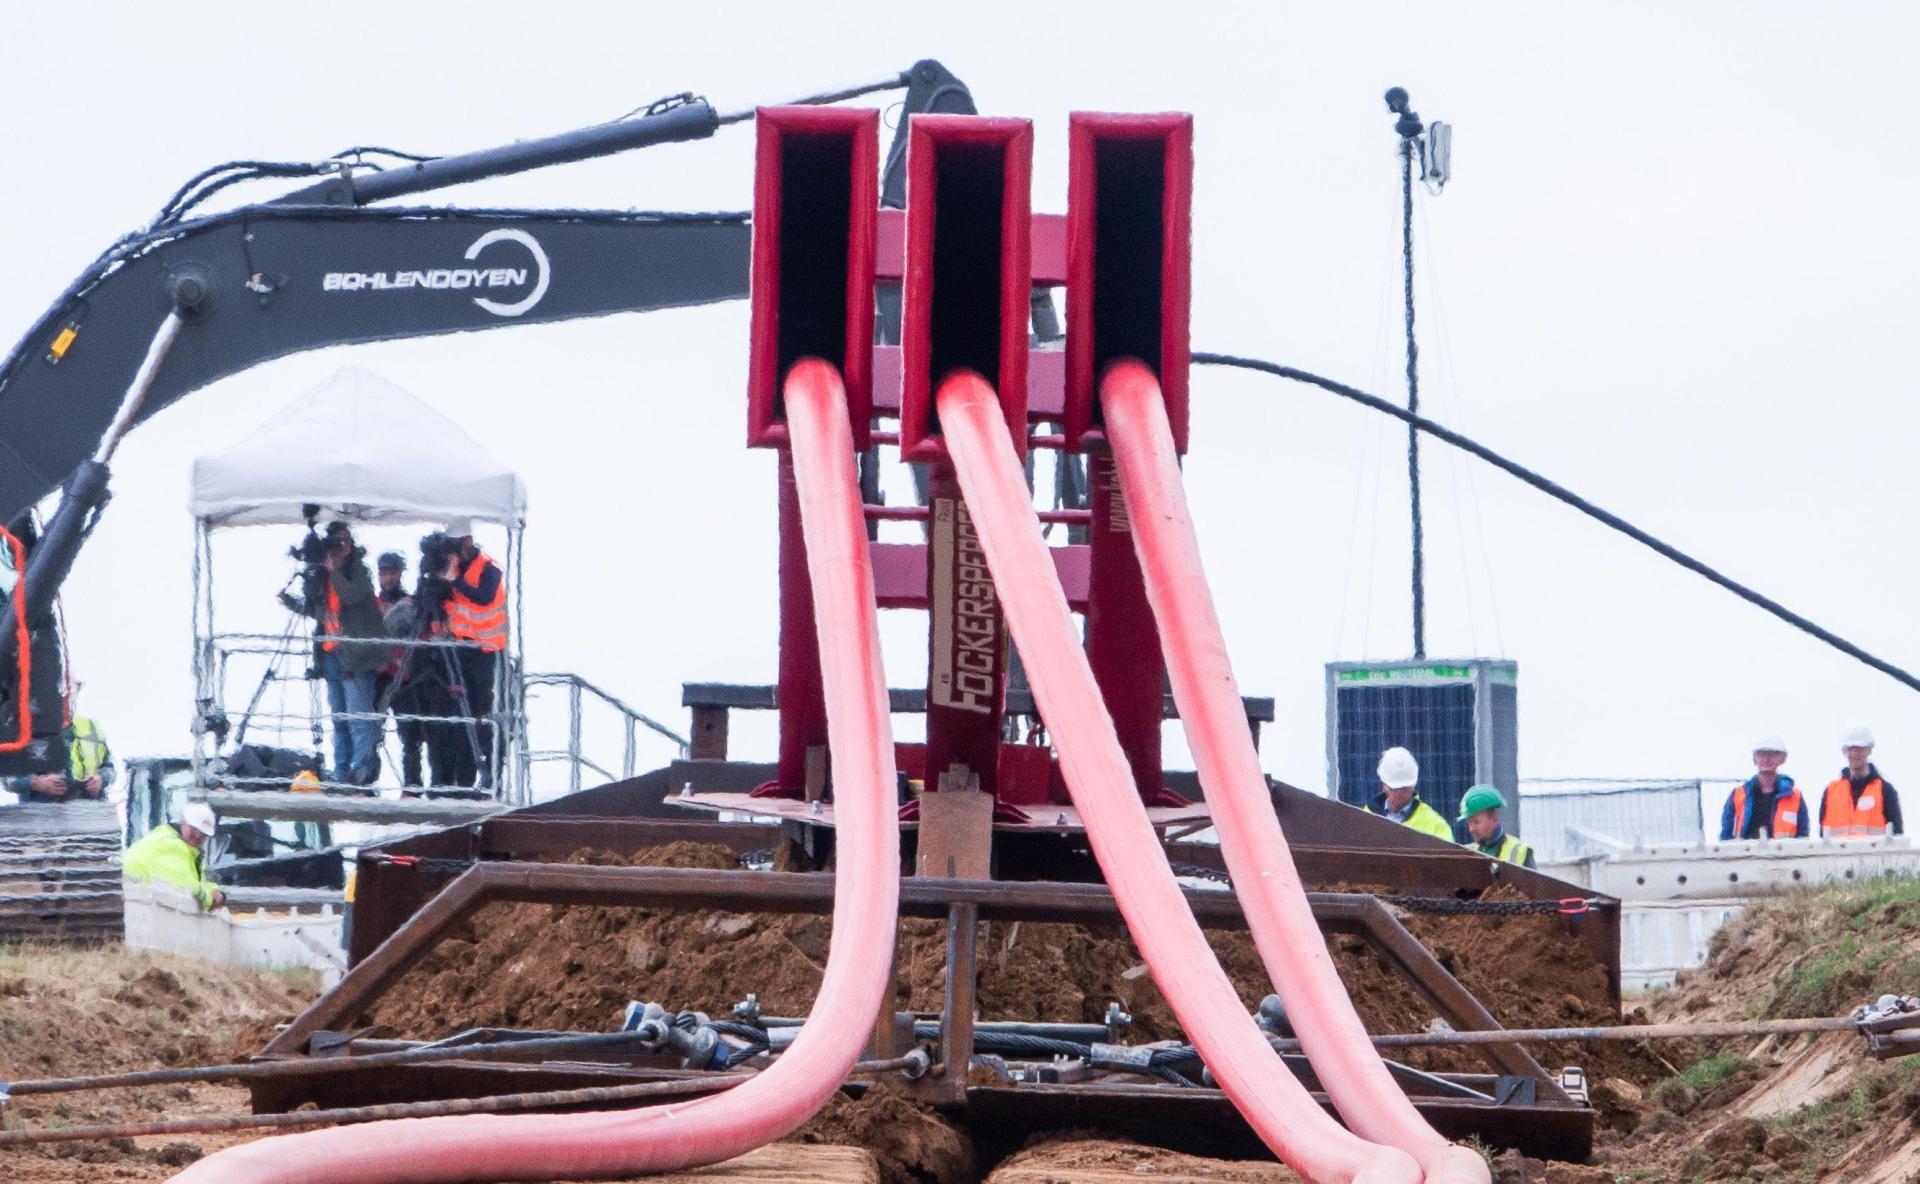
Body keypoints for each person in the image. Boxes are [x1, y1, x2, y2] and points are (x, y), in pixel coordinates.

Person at [279, 521, 385, 785]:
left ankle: (360, 774)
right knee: (339, 719)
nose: (343, 547)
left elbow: (350, 597)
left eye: (347, 542)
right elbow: (318, 611)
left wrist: (334, 570)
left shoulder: (358, 571)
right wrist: (290, 601)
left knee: (358, 719)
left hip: (356, 657)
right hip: (331, 656)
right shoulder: (323, 577)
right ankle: (340, 773)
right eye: (338, 542)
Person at [438, 517, 505, 789]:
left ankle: (490, 775)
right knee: (458, 715)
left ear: (467, 542)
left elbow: (483, 597)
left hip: (483, 652)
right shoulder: (452, 569)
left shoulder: (489, 570)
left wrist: (455, 580)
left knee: (479, 713)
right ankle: (461, 780)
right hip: (458, 650)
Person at [372, 552, 429, 787]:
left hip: (407, 677)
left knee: (411, 736)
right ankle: (367, 782)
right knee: (371, 731)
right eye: (384, 573)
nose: (388, 578)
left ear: (400, 574)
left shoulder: (412, 604)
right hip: (381, 676)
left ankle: (412, 786)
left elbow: (422, 637)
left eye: (392, 572)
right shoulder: (372, 605)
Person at [3, 693, 112, 803]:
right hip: (40, 815)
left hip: (90, 813)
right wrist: (37, 783)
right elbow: (7, 779)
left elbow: (110, 769)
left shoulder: (89, 728)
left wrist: (100, 778)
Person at [122, 802, 226, 910]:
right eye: (194, 829)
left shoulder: (188, 850)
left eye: (204, 834)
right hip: (137, 907)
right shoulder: (171, 846)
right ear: (183, 822)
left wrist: (214, 890)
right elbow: (187, 888)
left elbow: (199, 881)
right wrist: (211, 899)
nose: (198, 836)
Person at [1820, 724, 1904, 839]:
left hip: (1876, 857)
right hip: (1838, 857)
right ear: (1844, 751)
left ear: (1869, 750)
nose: (1854, 753)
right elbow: (1822, 837)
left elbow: (1898, 836)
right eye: (1850, 749)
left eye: (1859, 749)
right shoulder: (1830, 792)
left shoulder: (1886, 791)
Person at [1718, 735, 1808, 840]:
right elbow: (1726, 834)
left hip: (1783, 854)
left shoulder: (1795, 797)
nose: (1766, 759)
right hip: (1745, 854)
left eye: (1772, 754)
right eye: (1761, 754)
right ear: (1754, 758)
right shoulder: (1738, 794)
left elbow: (1803, 834)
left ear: (1783, 758)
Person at [1364, 746, 1454, 840]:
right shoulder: (1365, 818)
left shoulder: (1435, 825)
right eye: (1395, 788)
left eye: (1405, 788)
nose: (1400, 793)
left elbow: (1448, 854)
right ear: (1384, 785)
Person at [1458, 784, 1535, 867]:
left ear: (1494, 819)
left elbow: (1535, 880)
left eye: (1476, 822)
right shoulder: (1468, 852)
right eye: (1469, 823)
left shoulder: (1520, 852)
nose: (1471, 829)